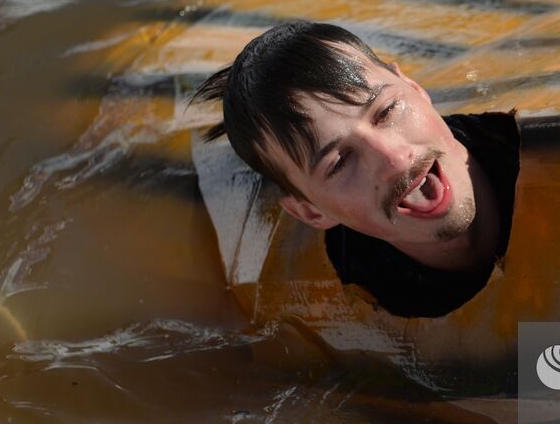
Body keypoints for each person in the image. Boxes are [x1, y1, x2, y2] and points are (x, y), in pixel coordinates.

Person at [192, 21, 517, 317]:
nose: (394, 158)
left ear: (415, 88)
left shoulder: (532, 149)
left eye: (387, 111)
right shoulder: (347, 295)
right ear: (310, 212)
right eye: (340, 162)